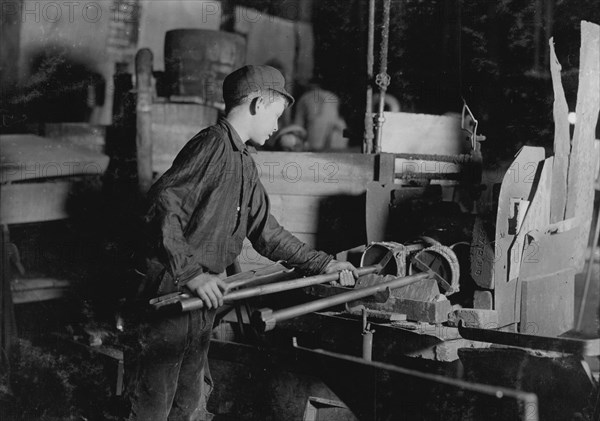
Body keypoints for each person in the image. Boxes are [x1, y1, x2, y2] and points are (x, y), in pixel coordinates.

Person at [127, 65, 358, 421]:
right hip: (172, 289)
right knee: (152, 404)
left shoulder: (244, 163)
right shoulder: (212, 146)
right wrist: (192, 273)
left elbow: (267, 232)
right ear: (256, 104)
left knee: (187, 403)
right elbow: (162, 204)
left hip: (202, 296)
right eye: (276, 115)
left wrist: (323, 264)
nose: (278, 127)